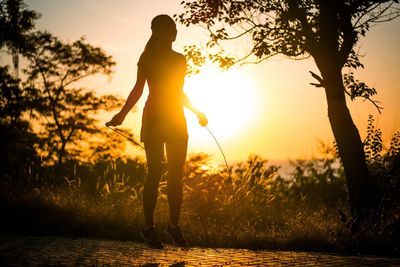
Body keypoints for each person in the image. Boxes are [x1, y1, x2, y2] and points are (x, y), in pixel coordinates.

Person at [106, 14, 207, 249]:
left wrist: (197, 112)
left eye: (174, 27)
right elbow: (138, 89)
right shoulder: (147, 56)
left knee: (175, 175)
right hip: (153, 119)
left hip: (175, 119)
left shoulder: (180, 59)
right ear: (157, 31)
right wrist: (121, 115)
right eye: (169, 27)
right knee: (155, 171)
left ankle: (173, 226)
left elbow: (179, 92)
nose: (174, 31)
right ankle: (148, 228)